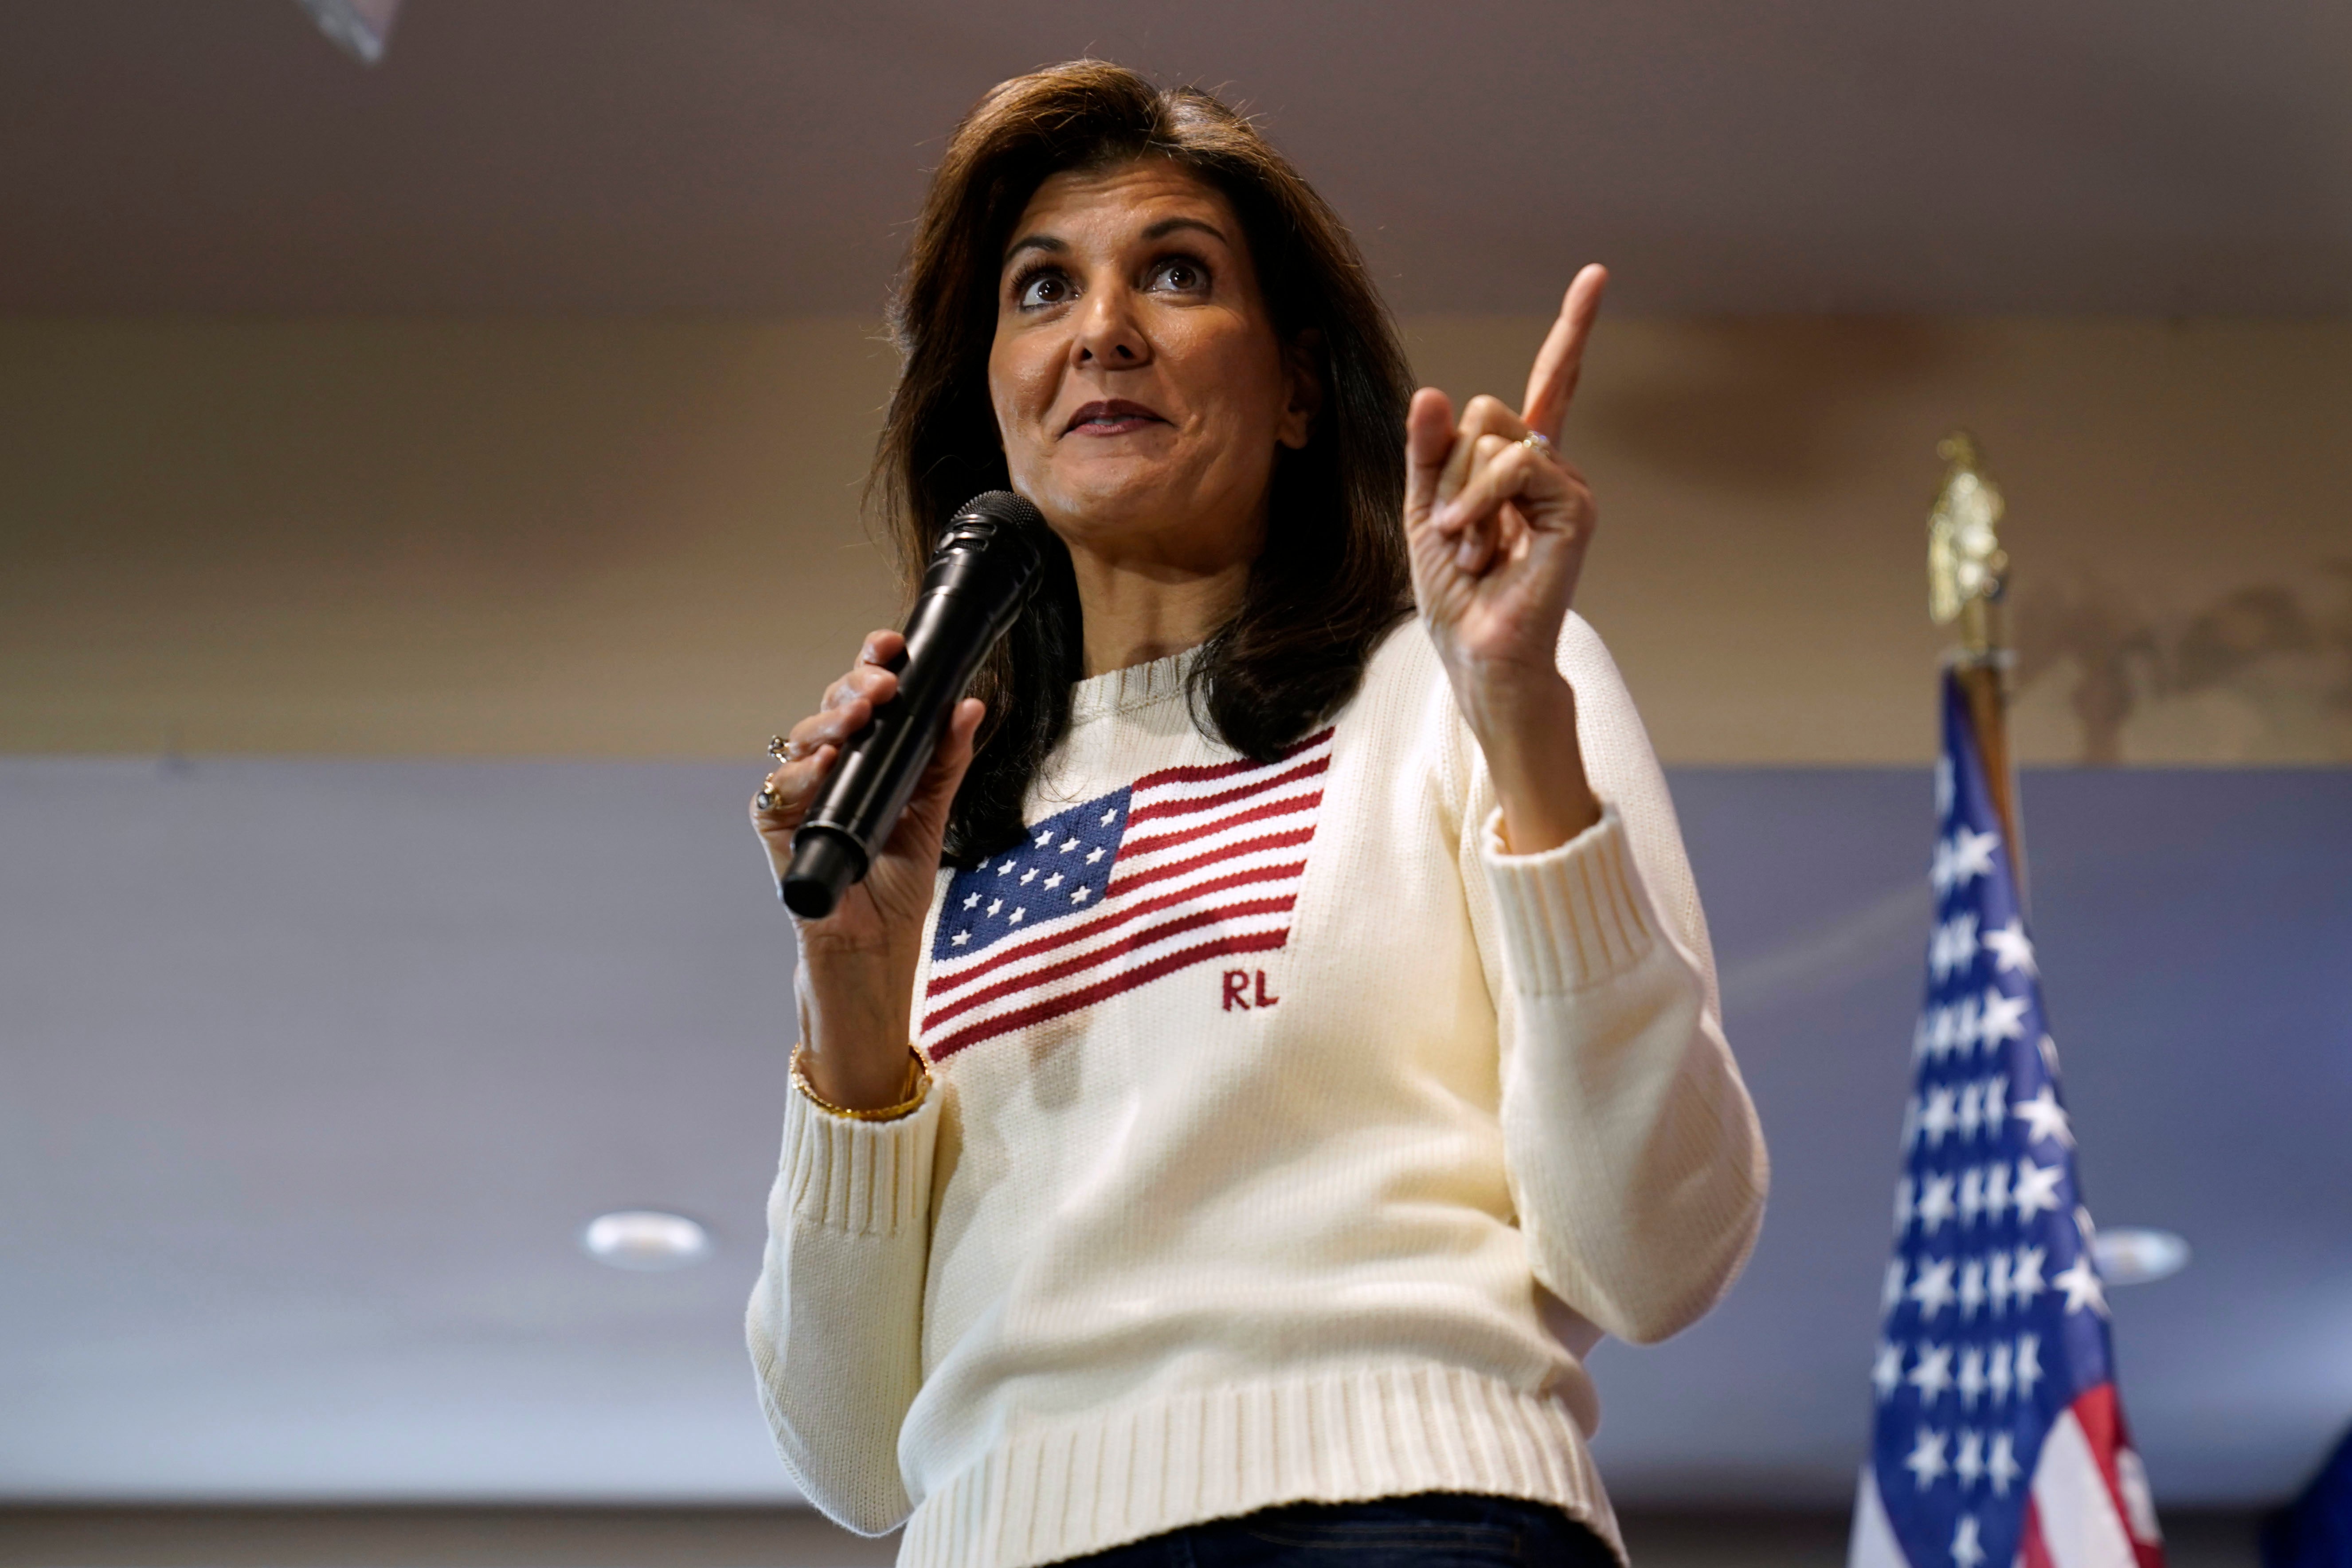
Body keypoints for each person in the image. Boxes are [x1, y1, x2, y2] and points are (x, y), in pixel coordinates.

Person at [746, 61, 1767, 1568]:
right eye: (1040, 290)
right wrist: (851, 981)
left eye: (1171, 272)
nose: (1100, 327)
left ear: (1295, 386)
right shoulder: (926, 807)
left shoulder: (1450, 680)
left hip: (1407, 1520)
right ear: (993, 400)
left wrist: (1523, 726)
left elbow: (1654, 1250)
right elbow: (849, 1449)